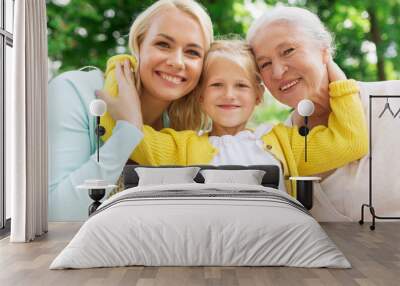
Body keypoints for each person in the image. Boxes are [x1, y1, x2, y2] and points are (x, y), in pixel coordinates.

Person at [98, 39, 368, 194]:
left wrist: (337, 78)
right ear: (201, 96)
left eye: (241, 86)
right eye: (217, 85)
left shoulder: (286, 143)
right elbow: (126, 135)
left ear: (258, 96)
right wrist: (121, 67)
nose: (229, 95)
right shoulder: (181, 148)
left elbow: (351, 143)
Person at [48, 0, 213, 221]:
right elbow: (57, 213)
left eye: (192, 52)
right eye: (163, 44)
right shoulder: (73, 92)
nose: (177, 61)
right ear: (138, 44)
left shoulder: (179, 133)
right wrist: (128, 130)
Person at [246, 6, 371, 220]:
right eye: (265, 64)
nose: (277, 72)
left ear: (324, 50)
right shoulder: (278, 149)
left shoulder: (391, 99)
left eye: (288, 51)